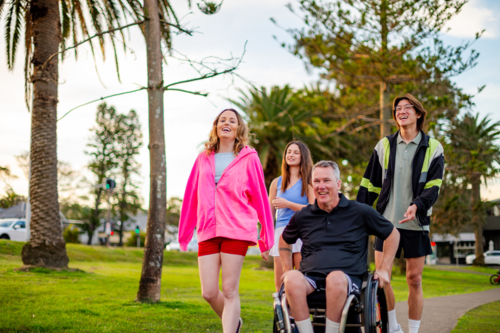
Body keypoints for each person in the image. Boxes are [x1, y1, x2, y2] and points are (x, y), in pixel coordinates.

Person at [178, 109, 274, 333]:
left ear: (239, 128)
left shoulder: (249, 158)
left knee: (230, 290)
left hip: (237, 230)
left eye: (232, 120)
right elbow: (191, 195)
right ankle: (235, 322)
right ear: (216, 127)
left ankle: (229, 328)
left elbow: (260, 197)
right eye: (222, 120)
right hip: (208, 230)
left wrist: (266, 237)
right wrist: (184, 234)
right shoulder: (203, 158)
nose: (227, 123)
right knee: (209, 292)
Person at [357, 93, 444, 333]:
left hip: (416, 223)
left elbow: (433, 186)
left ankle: (413, 331)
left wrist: (417, 205)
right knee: (381, 280)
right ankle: (392, 327)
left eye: (408, 107)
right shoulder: (384, 145)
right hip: (385, 224)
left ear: (418, 113)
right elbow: (369, 184)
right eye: (397, 108)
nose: (401, 111)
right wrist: (358, 214)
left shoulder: (433, 148)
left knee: (414, 280)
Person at [279, 160, 400, 333]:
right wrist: (286, 268)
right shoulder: (304, 215)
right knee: (291, 278)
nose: (321, 186)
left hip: (349, 279)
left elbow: (393, 234)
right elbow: (284, 241)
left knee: (335, 278)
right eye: (317, 181)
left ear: (338, 184)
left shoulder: (360, 211)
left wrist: (384, 268)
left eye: (326, 180)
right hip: (311, 279)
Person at [269, 141, 315, 292]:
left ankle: (298, 314)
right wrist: (265, 240)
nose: (291, 155)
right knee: (280, 284)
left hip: (301, 233)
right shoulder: (277, 182)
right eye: (289, 152)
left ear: (303, 156)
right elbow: (269, 214)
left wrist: (288, 203)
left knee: (299, 281)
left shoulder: (308, 181)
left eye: (296, 152)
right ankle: (281, 315)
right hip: (280, 234)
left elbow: (313, 209)